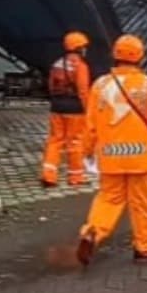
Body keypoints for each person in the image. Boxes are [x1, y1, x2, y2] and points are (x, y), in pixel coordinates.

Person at [76, 34, 147, 266]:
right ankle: (144, 249)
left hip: (110, 156)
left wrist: (86, 151)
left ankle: (92, 231)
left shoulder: (100, 85)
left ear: (115, 55)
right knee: (143, 203)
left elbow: (91, 124)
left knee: (108, 199)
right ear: (140, 57)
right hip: (142, 158)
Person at [41, 31, 92, 187]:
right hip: (75, 109)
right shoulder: (81, 66)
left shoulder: (57, 63)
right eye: (84, 47)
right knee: (75, 142)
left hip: (57, 107)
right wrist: (88, 110)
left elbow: (50, 86)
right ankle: (76, 177)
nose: (85, 49)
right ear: (79, 48)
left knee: (55, 140)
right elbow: (83, 91)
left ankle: (48, 175)